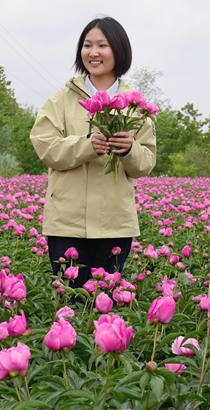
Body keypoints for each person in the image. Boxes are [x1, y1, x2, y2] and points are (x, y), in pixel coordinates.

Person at [30, 17, 156, 288]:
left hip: (114, 223)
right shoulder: (63, 98)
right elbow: (45, 146)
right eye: (87, 45)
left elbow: (146, 162)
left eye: (102, 45)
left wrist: (130, 149)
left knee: (105, 304)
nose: (93, 53)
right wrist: (87, 145)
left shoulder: (134, 104)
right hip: (67, 222)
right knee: (69, 302)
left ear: (119, 51)